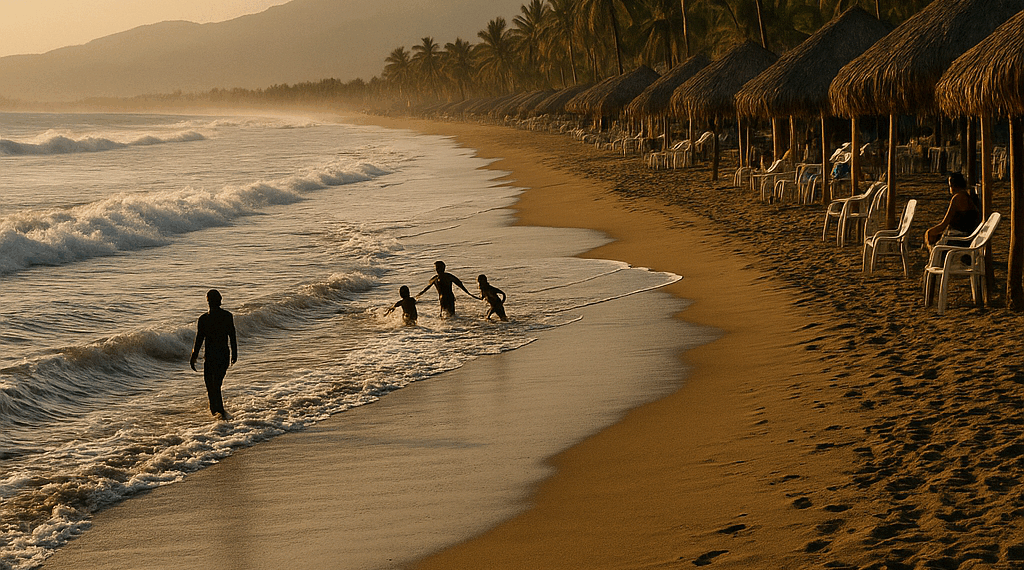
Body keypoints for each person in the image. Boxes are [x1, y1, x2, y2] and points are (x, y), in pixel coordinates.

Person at [190, 289, 237, 419]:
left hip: (219, 356)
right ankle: (216, 414)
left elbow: (232, 335)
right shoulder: (208, 318)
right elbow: (199, 339)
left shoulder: (212, 318)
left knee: (215, 384)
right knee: (210, 385)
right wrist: (194, 355)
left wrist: (235, 353)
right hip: (213, 357)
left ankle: (220, 413)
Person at [924, 172, 982, 252]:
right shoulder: (967, 197)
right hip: (967, 235)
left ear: (953, 186)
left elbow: (944, 224)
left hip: (959, 238)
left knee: (931, 234)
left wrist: (928, 232)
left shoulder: (957, 198)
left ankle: (936, 258)